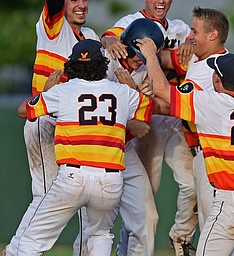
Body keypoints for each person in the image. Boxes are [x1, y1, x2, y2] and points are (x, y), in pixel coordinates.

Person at [14, 39, 159, 256]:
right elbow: (151, 108)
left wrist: (46, 92)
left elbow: (23, 111)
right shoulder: (122, 93)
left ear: (72, 66)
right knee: (100, 235)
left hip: (73, 177)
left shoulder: (63, 91)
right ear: (102, 65)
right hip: (110, 181)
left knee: (31, 242)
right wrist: (133, 89)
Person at [137, 38, 234, 255]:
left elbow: (161, 89)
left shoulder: (210, 103)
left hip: (231, 201)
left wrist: (151, 55)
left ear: (217, 79)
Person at [1, 0, 99, 255]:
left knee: (80, 200)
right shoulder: (53, 28)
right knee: (45, 196)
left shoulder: (89, 36)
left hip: (73, 129)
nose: (81, 4)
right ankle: (14, 252)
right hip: (45, 120)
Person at [101, 1, 197, 255]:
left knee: (193, 181)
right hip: (145, 118)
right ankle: (125, 250)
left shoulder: (179, 27)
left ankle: (182, 238)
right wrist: (109, 42)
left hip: (168, 109)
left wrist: (192, 44)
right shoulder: (130, 23)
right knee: (144, 198)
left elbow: (198, 44)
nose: (160, 1)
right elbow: (109, 38)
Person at [161, 6, 234, 255]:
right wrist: (173, 53)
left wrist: (149, 57)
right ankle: (181, 237)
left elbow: (169, 101)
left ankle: (180, 238)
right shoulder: (216, 66)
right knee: (224, 230)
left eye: (194, 31)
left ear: (213, 35)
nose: (190, 36)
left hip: (210, 156)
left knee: (215, 230)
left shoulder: (212, 73)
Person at [73, 18, 166, 256]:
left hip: (123, 151)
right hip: (94, 153)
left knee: (147, 218)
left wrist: (134, 96)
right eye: (138, 54)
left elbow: (146, 116)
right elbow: (92, 113)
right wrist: (130, 116)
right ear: (127, 45)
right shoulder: (103, 61)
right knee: (93, 229)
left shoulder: (144, 69)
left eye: (145, 57)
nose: (139, 61)